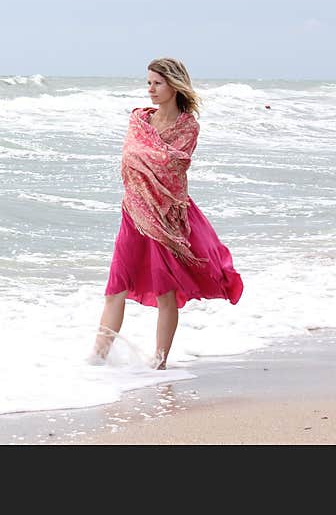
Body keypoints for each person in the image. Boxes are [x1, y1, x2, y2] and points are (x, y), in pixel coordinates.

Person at [91, 58, 243, 369]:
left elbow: (174, 163)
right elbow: (131, 157)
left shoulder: (188, 126)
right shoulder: (139, 120)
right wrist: (150, 157)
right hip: (133, 214)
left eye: (157, 83)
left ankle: (158, 362)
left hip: (166, 218)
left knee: (165, 294)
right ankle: (96, 359)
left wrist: (147, 157)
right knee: (115, 287)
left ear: (174, 85)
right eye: (148, 83)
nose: (150, 90)